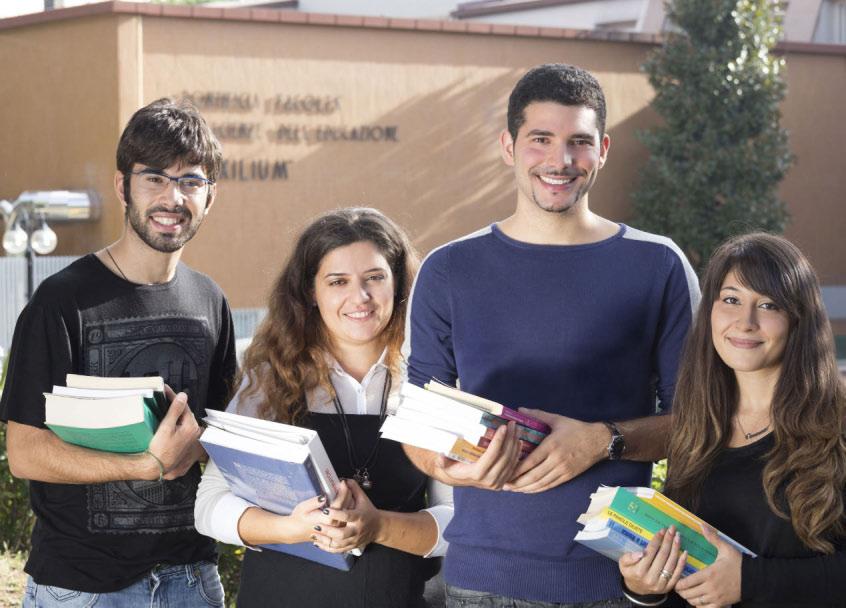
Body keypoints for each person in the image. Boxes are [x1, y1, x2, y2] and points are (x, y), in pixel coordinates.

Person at [403, 63, 700, 606]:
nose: (560, 161)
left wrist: (601, 440)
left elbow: (700, 423)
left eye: (579, 142)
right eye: (540, 139)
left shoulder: (658, 265)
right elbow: (417, 422)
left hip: (612, 582)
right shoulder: (449, 269)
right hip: (478, 584)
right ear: (508, 146)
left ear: (603, 149)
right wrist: (451, 467)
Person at [1, 98, 236, 606]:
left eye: (191, 181)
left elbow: (218, 429)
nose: (173, 197)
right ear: (121, 185)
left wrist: (197, 447)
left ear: (210, 197)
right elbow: (24, 453)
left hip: (191, 581)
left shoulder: (211, 302)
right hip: (82, 588)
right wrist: (146, 464)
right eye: (155, 178)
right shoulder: (61, 302)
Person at [195, 207, 452, 608]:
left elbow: (460, 522)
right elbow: (209, 506)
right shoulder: (270, 378)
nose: (360, 297)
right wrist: (290, 528)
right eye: (338, 282)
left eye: (375, 278)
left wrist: (379, 526)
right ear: (310, 293)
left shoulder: (432, 381)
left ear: (399, 283)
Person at [619, 233, 846, 607]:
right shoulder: (699, 429)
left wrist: (750, 582)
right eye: (731, 300)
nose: (746, 322)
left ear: (799, 320)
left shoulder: (836, 426)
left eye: (769, 305)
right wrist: (645, 588)